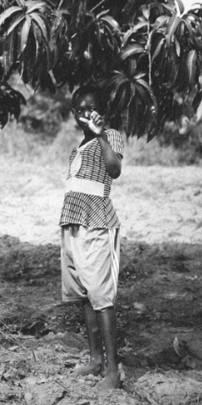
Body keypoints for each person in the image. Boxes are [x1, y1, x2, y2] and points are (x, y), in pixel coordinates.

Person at [58, 86, 125, 389]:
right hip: (72, 223)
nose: (85, 114)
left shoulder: (109, 137)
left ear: (103, 112)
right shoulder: (78, 148)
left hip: (97, 224)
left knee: (101, 296)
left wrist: (100, 133)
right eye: (80, 109)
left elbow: (114, 170)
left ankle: (112, 371)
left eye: (91, 108)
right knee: (85, 294)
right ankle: (95, 360)